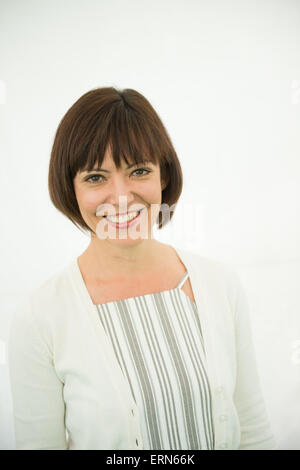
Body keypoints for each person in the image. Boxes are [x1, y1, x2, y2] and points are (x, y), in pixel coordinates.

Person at [8, 87, 277, 450]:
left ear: (163, 176)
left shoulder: (220, 285)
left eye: (138, 171)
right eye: (95, 177)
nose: (121, 197)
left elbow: (254, 434)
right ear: (70, 189)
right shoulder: (40, 318)